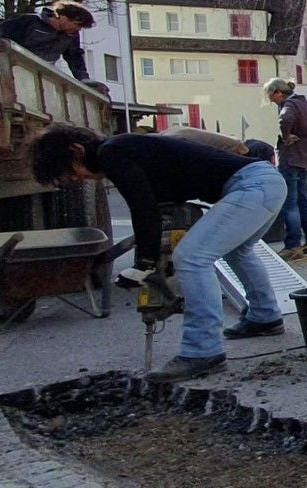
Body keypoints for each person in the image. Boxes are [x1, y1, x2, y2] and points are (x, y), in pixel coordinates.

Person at [30, 124, 287, 382]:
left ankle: (202, 351)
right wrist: (147, 260)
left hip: (252, 186)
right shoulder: (126, 149)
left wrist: (144, 263)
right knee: (238, 252)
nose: (74, 179)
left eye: (69, 171)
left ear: (77, 150)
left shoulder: (111, 152)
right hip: (264, 182)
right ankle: (265, 317)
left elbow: (143, 210)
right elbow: (154, 203)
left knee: (192, 256)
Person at [264, 77, 307, 258]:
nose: (270, 100)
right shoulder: (304, 104)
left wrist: (286, 136)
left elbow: (284, 119)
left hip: (290, 158)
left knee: (290, 203)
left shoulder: (289, 105)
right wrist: (306, 137)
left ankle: (292, 246)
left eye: (270, 96)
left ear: (278, 92)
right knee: (303, 200)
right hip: (305, 159)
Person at [0, 1, 96, 83]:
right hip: (15, 70)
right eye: (77, 24)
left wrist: (83, 78)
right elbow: (4, 41)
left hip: (44, 76)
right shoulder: (28, 21)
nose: (78, 29)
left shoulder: (71, 35)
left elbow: (74, 56)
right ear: (63, 17)